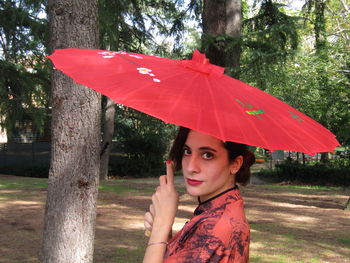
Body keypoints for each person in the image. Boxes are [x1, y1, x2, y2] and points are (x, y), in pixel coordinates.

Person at [143, 127, 255, 263]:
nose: (191, 167)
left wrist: (160, 228)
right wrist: (164, 235)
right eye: (187, 151)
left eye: (207, 155)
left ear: (235, 164)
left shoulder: (217, 229)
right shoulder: (216, 210)